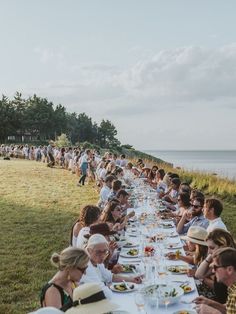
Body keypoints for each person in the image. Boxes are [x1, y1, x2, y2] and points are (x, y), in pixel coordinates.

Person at [80, 234, 142, 298]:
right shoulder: (86, 266)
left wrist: (132, 279)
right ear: (89, 250)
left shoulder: (95, 260)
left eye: (105, 251)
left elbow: (110, 277)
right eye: (98, 252)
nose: (102, 255)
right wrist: (107, 286)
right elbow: (105, 293)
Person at [195, 229, 236, 304]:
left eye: (212, 248)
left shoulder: (229, 262)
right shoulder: (219, 260)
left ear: (223, 246)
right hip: (222, 303)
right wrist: (210, 256)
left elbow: (199, 276)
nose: (208, 251)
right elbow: (199, 275)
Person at [194, 247, 236, 314]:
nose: (213, 271)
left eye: (215, 267)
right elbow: (229, 309)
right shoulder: (232, 287)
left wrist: (214, 312)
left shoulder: (234, 295)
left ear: (229, 270)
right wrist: (209, 302)